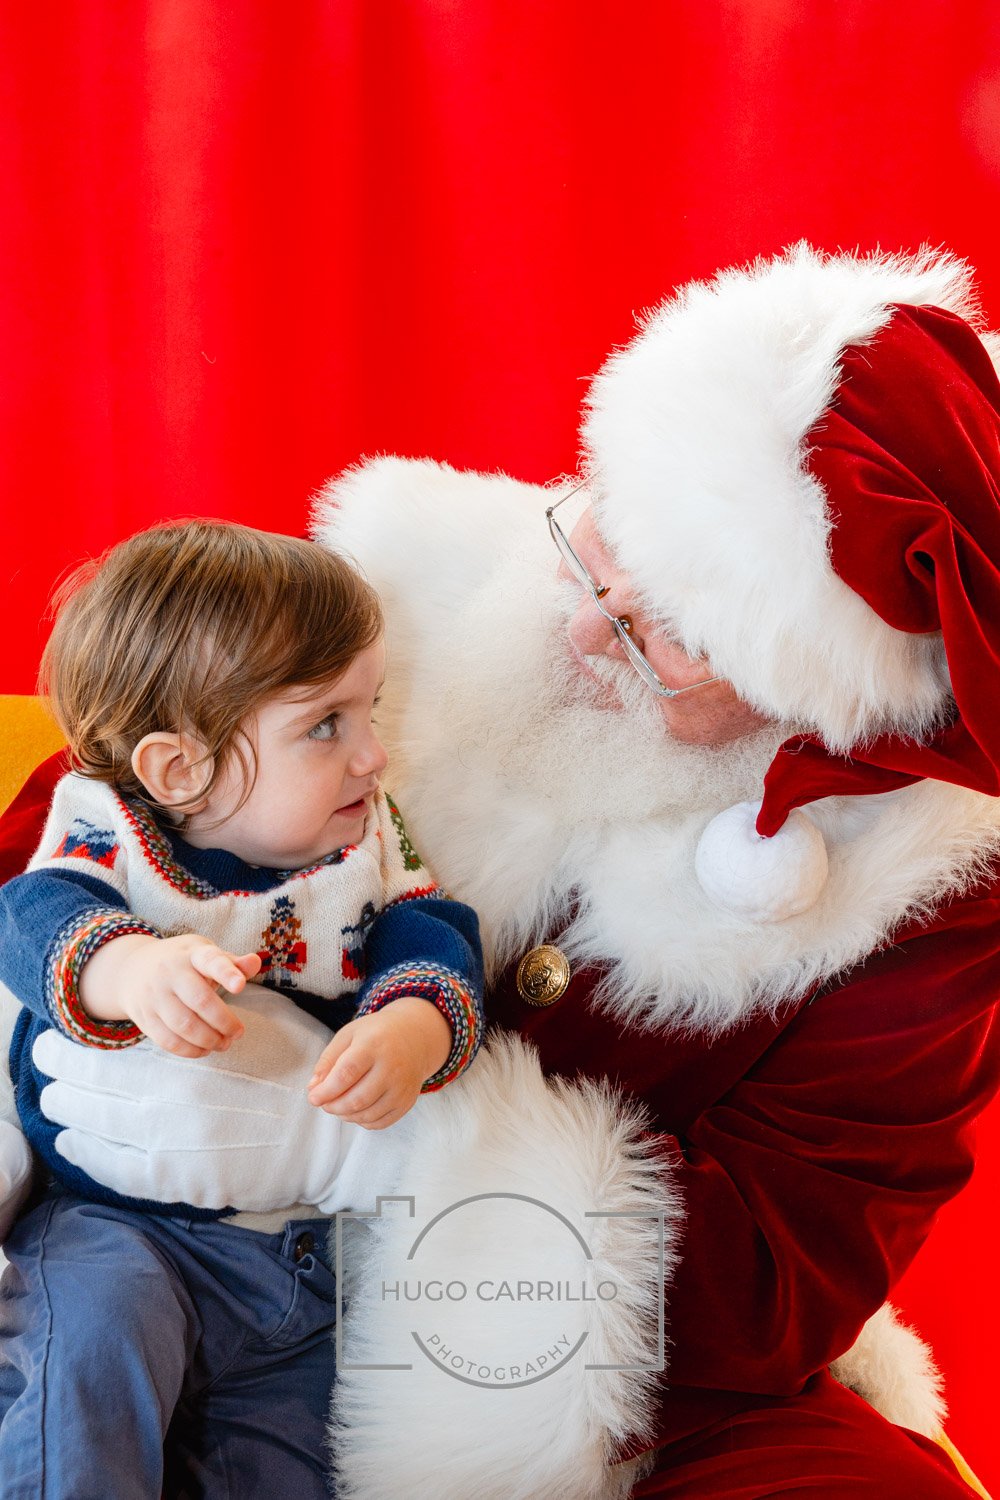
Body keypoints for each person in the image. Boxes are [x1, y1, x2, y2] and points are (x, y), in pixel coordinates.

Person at [2, 243, 998, 1499]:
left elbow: (765, 1294)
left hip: (583, 1367)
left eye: (675, 633)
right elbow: (86, 825)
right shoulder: (389, 592)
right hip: (128, 1227)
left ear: (807, 700)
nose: (586, 623)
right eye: (601, 534)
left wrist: (393, 1146)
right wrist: (111, 979)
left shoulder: (929, 887)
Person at [0, 520, 483, 1499]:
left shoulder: (364, 841)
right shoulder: (107, 829)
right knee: (88, 1364)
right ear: (179, 770)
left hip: (298, 1256)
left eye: (370, 710)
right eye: (326, 726)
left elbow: (430, 933)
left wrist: (412, 1026)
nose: (373, 756)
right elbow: (32, 915)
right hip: (116, 1229)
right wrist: (127, 970)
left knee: (302, 1448)